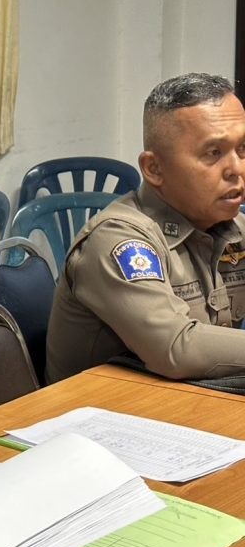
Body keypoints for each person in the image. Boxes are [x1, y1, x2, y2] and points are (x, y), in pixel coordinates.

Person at [46, 73, 245, 383]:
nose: (236, 168)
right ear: (154, 168)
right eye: (213, 153)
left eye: (242, 149)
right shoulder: (117, 240)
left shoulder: (232, 227)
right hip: (103, 408)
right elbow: (176, 348)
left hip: (191, 399)